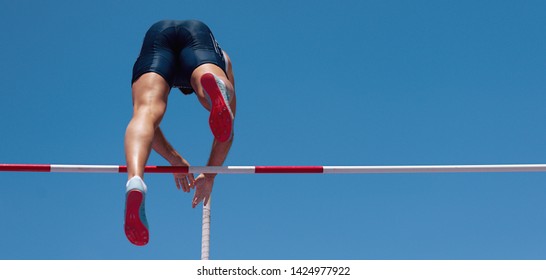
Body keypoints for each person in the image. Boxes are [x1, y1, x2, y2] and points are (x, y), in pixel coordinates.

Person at [123, 20, 236, 246]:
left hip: (157, 35)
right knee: (210, 84)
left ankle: (135, 180)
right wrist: (209, 174)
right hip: (197, 35)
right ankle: (212, 87)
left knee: (145, 112)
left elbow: (151, 133)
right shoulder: (224, 57)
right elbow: (228, 130)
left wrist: (173, 159)